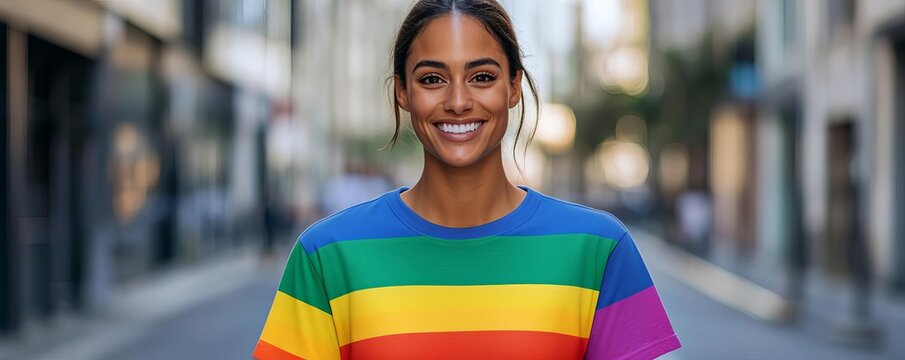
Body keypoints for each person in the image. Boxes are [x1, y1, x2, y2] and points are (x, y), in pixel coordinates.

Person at [253, 1, 680, 359]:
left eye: (482, 77)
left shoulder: (600, 249)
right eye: (432, 79)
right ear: (402, 91)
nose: (458, 101)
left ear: (514, 87)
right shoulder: (326, 255)